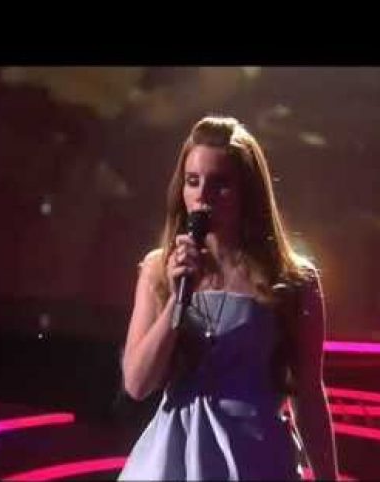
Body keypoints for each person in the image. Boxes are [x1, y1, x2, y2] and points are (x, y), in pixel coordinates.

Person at [118, 116, 338, 480]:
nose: (202, 197)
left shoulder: (292, 280)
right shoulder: (159, 269)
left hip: (254, 456)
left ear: (247, 192)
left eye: (219, 184)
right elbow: (137, 384)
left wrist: (328, 477)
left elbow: (309, 396)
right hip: (172, 459)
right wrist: (177, 300)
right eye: (193, 181)